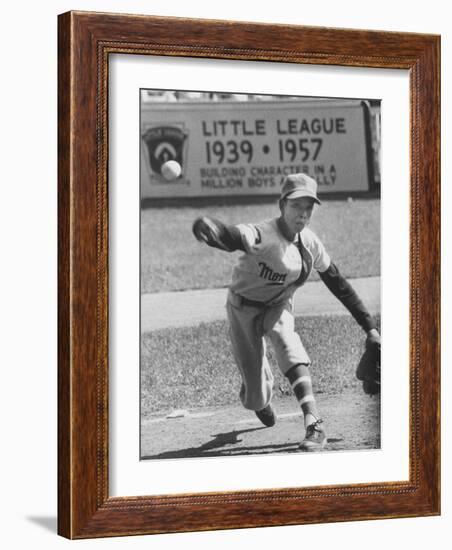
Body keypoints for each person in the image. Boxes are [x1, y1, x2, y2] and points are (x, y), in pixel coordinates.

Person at [192, 173, 381, 451]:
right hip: (242, 307)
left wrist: (370, 328)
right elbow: (233, 236)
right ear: (282, 205)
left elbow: (338, 283)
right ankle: (261, 398)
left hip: (278, 305)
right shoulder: (263, 234)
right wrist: (214, 231)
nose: (303, 214)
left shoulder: (310, 244)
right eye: (296, 206)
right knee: (254, 396)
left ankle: (314, 423)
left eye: (308, 208)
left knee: (287, 342)